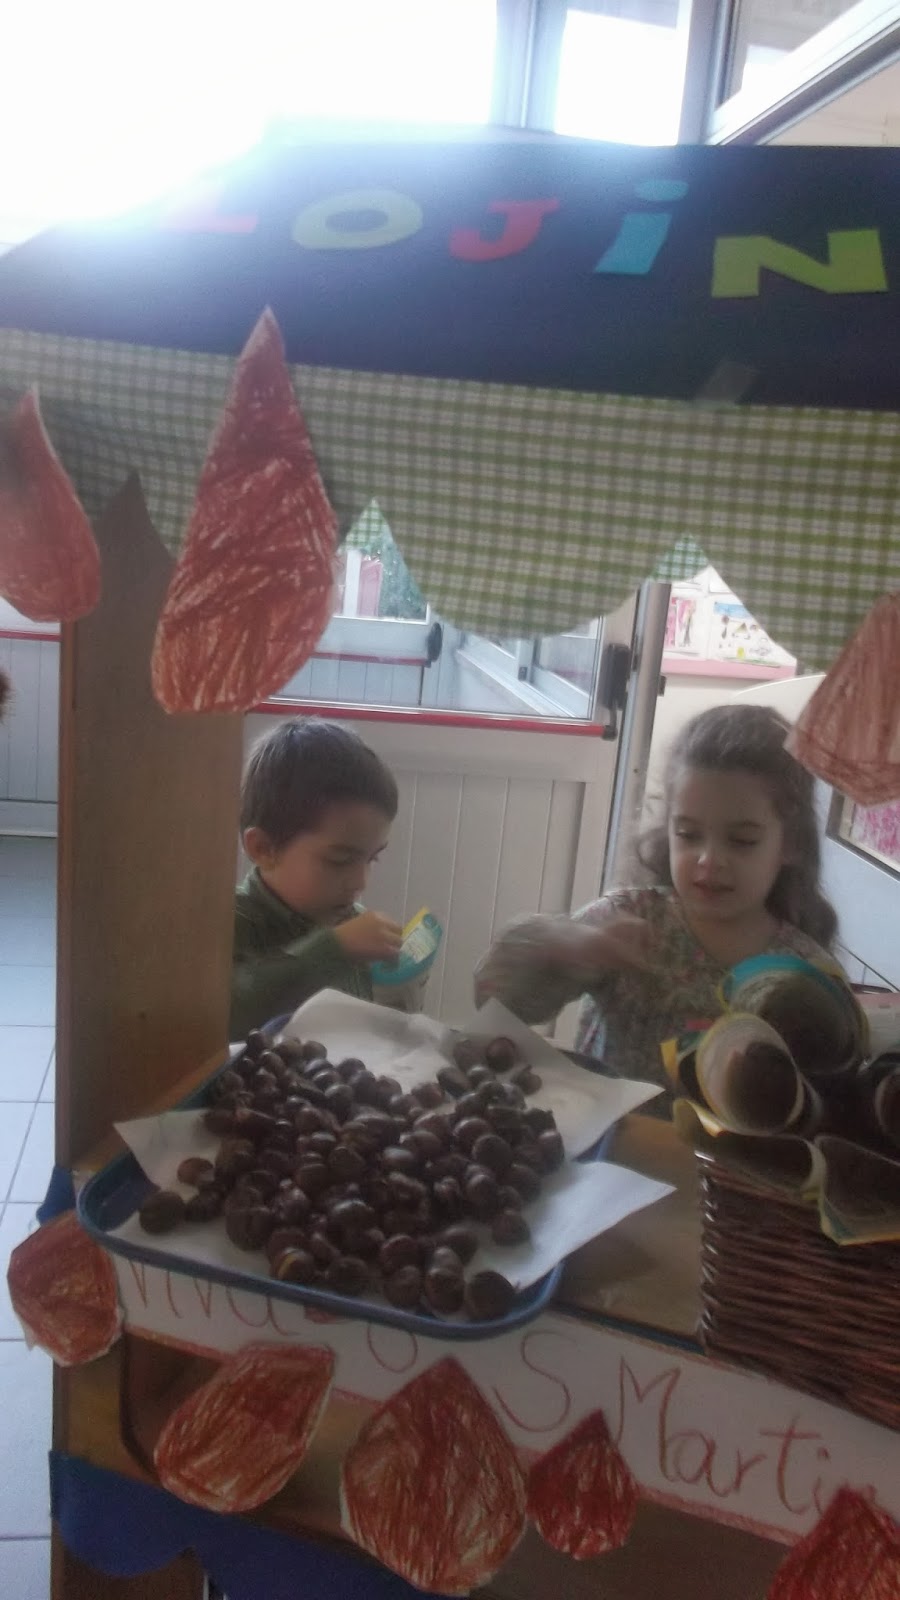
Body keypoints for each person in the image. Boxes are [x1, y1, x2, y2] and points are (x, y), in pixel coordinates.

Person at [475, 704, 840, 1105]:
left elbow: (828, 1095)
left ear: (791, 844)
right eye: (688, 834)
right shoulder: (629, 920)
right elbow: (492, 997)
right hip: (609, 1139)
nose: (708, 860)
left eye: (741, 841)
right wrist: (567, 947)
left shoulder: (805, 973)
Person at [230, 717, 404, 1038]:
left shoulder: (350, 923)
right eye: (340, 860)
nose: (361, 883)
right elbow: (225, 1014)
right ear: (264, 848)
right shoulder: (230, 923)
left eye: (372, 858)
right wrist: (334, 950)